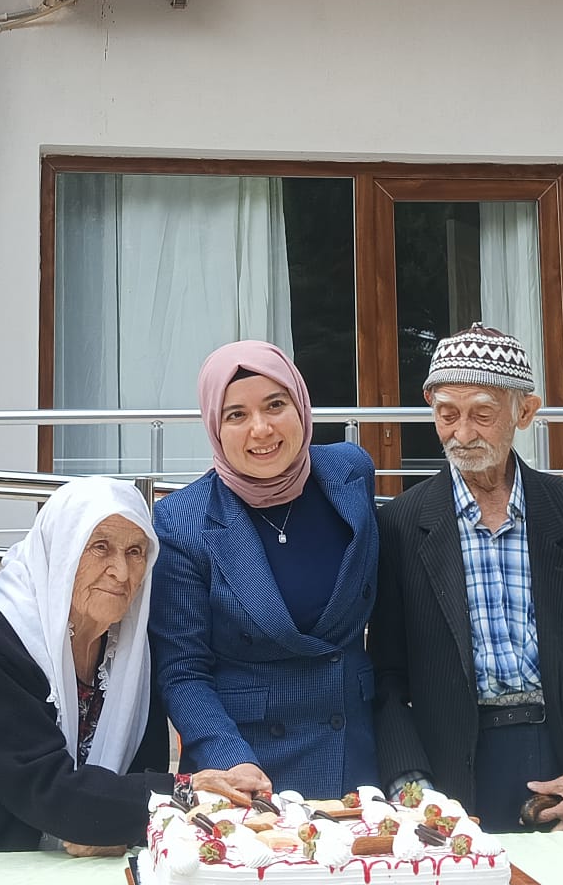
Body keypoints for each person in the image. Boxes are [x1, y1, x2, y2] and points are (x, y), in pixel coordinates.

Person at [369, 323, 563, 833]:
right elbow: (384, 678)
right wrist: (412, 788)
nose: (462, 434)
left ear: (525, 412)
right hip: (451, 783)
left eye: (482, 415)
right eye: (447, 414)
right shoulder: (399, 528)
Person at [0, 476, 249, 856]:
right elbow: (46, 789)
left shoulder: (131, 647)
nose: (121, 572)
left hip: (64, 860)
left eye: (135, 552)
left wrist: (110, 827)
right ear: (61, 549)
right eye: (100, 547)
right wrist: (182, 793)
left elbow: (141, 767)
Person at [149, 340, 380, 800]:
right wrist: (230, 759)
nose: (261, 429)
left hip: (353, 753)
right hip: (249, 767)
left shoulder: (351, 472)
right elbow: (183, 670)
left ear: (301, 406)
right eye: (236, 414)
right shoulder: (182, 521)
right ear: (214, 426)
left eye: (276, 405)